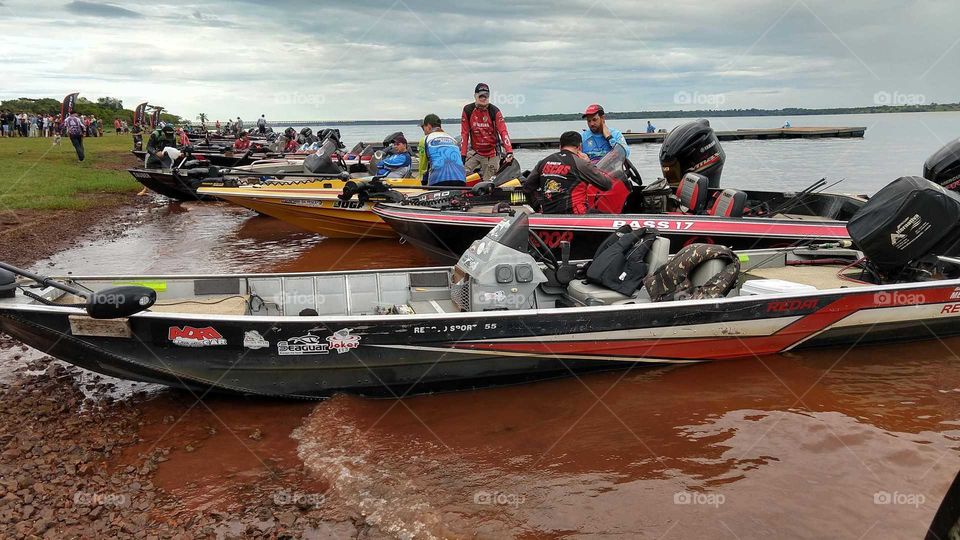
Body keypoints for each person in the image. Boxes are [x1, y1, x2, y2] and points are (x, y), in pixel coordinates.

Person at [522, 131, 614, 214]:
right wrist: (589, 163)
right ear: (579, 147)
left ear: (560, 147)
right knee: (611, 217)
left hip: (548, 215)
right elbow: (606, 184)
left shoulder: (543, 162)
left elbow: (527, 188)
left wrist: (538, 208)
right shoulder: (580, 163)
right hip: (576, 216)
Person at [460, 82, 513, 181]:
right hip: (476, 151)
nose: (484, 98)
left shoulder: (494, 111)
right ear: (475, 96)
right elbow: (464, 134)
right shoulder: (468, 110)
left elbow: (503, 132)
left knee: (487, 182)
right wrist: (463, 155)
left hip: (492, 153)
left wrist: (509, 151)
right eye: (481, 96)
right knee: (460, 174)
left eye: (486, 96)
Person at [418, 113, 466, 186]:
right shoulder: (452, 139)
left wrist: (422, 184)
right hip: (460, 179)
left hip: (438, 180)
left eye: (423, 127)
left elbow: (423, 167)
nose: (423, 131)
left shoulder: (425, 139)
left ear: (428, 126)